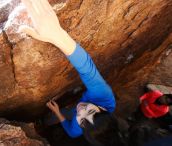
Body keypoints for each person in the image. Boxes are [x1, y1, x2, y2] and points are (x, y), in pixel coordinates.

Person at [20, 0, 118, 145]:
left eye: (80, 119)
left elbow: (72, 132)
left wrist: (57, 112)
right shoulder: (105, 97)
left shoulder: (79, 126)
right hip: (91, 96)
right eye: (87, 110)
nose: (79, 110)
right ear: (102, 111)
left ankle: (44, 123)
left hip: (66, 112)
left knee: (51, 119)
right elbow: (86, 67)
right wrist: (58, 36)